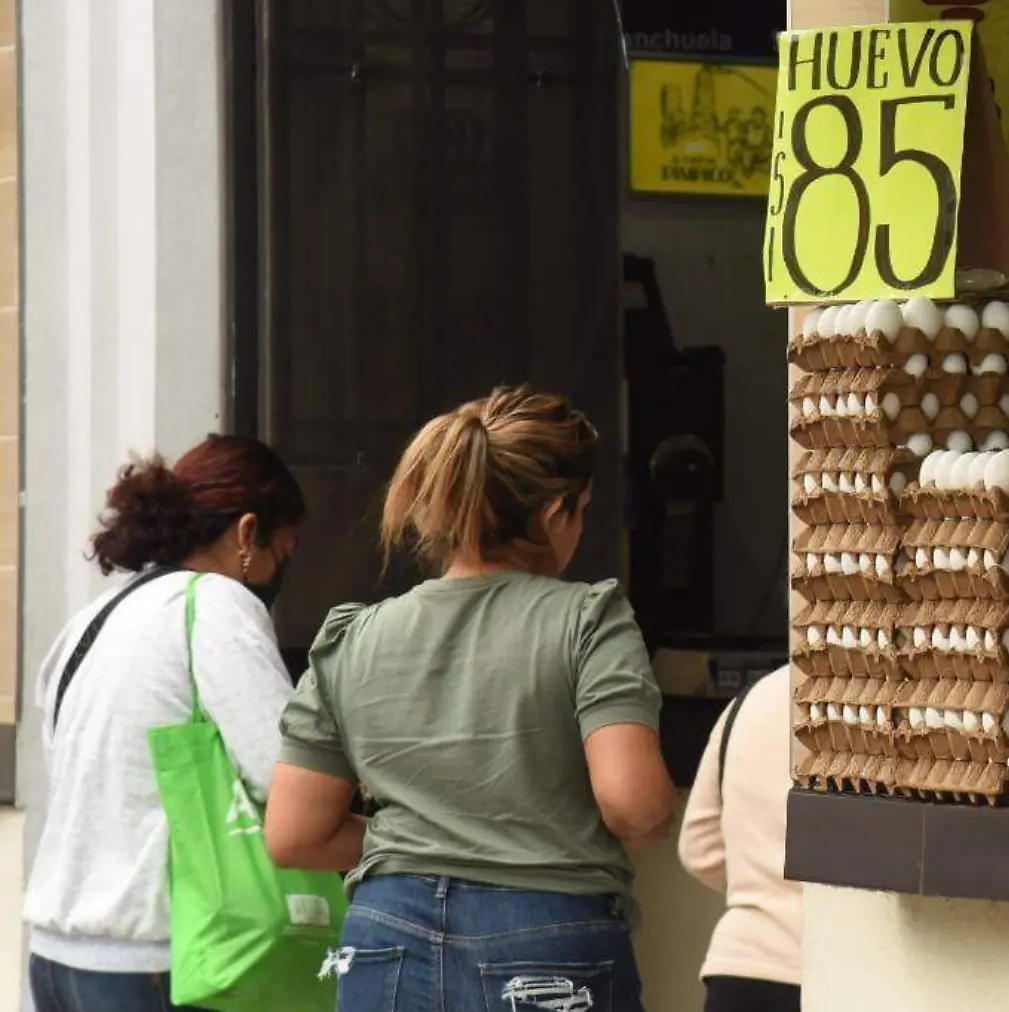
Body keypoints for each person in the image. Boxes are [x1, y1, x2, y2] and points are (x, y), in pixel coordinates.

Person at [264, 385, 673, 1012]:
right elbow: (633, 805)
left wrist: (426, 838)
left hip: (383, 933)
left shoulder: (353, 635)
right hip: (547, 936)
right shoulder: (588, 619)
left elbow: (294, 834)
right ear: (555, 512)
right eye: (583, 509)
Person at [24, 435, 306, 1012]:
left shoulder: (93, 617)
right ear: (247, 532)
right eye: (285, 551)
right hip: (154, 958)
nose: (282, 571)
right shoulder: (217, 605)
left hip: (54, 955)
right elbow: (285, 778)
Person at [680, 665, 803, 1012]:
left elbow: (698, 847)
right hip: (822, 970)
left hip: (738, 966)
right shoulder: (876, 707)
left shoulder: (748, 700)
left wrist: (759, 888)